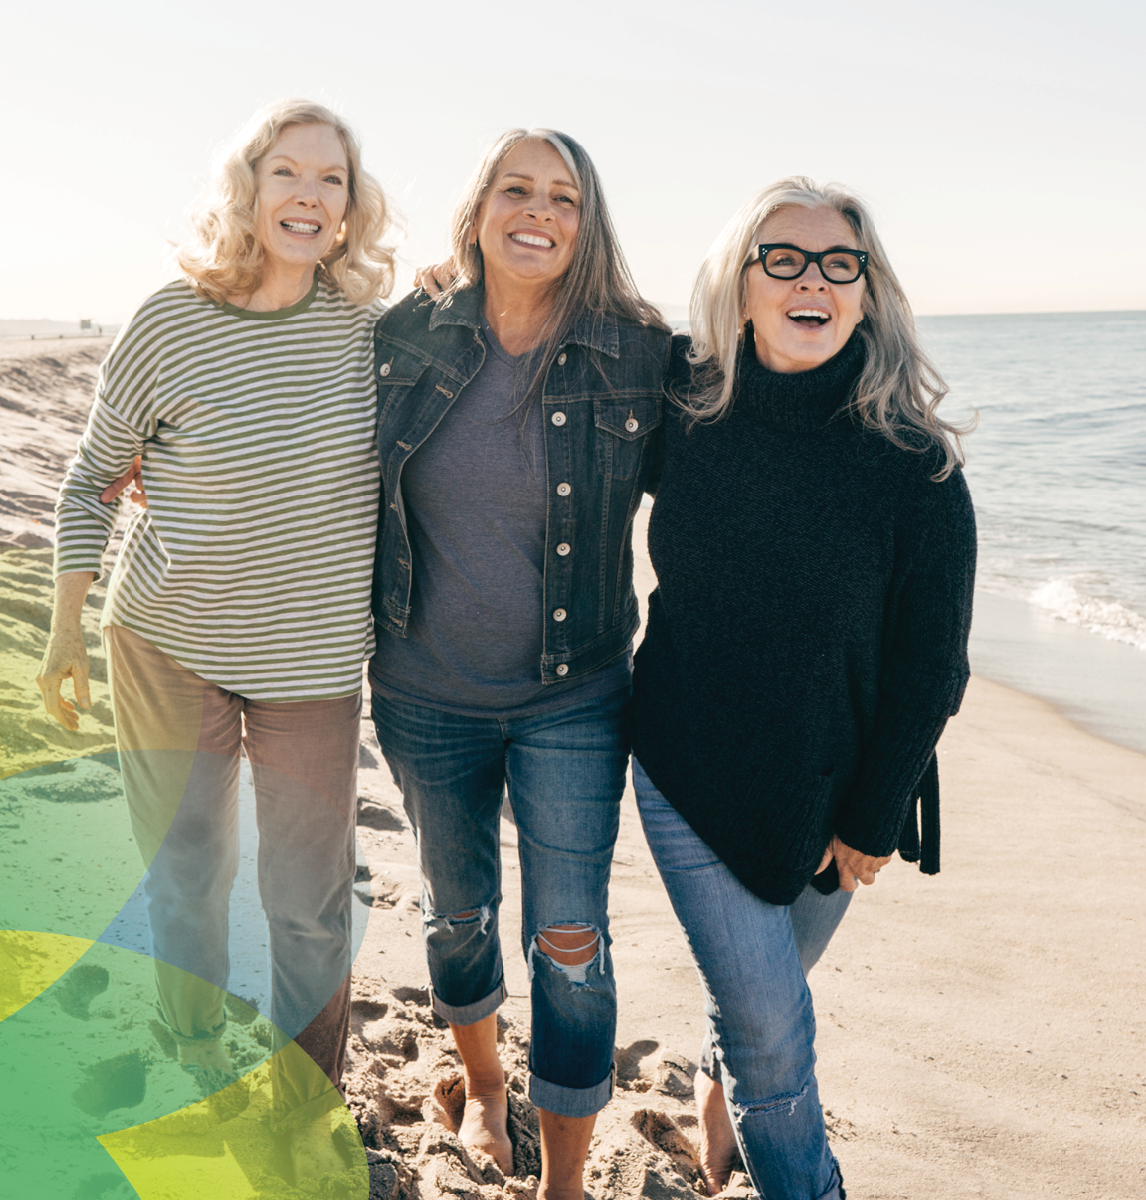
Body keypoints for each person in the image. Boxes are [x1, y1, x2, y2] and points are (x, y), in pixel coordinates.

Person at [36, 99, 394, 1181]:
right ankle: (191, 1059)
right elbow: (93, 478)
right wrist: (64, 631)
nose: (308, 197)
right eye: (287, 173)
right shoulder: (168, 321)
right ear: (247, 187)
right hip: (165, 643)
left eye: (331, 180)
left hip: (314, 666)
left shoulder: (372, 333)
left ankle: (303, 1101)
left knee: (309, 903)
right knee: (188, 871)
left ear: (350, 205)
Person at [631, 178, 976, 1200]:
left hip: (838, 793)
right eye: (781, 258)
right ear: (739, 288)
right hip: (684, 763)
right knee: (774, 1035)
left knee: (760, 997)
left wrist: (873, 816)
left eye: (839, 263)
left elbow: (932, 667)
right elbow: (569, 347)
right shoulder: (681, 415)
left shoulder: (915, 470)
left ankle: (712, 1092)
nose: (811, 279)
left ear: (869, 296)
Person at [369, 128, 670, 1199]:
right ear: (482, 206)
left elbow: (738, 478)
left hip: (574, 698)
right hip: (421, 693)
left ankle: (566, 1186)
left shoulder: (640, 354)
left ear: (587, 226)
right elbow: (304, 431)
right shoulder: (403, 336)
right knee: (456, 915)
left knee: (571, 939)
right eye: (517, 189)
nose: (538, 212)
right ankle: (486, 1085)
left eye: (563, 198)